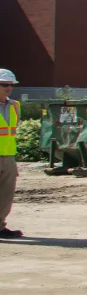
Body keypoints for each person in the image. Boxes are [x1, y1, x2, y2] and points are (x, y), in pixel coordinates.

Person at [0, 68, 22, 239]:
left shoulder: (15, 106)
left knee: (6, 195)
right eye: (4, 85)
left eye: (11, 85)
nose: (8, 88)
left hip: (8, 157)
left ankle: (0, 226)